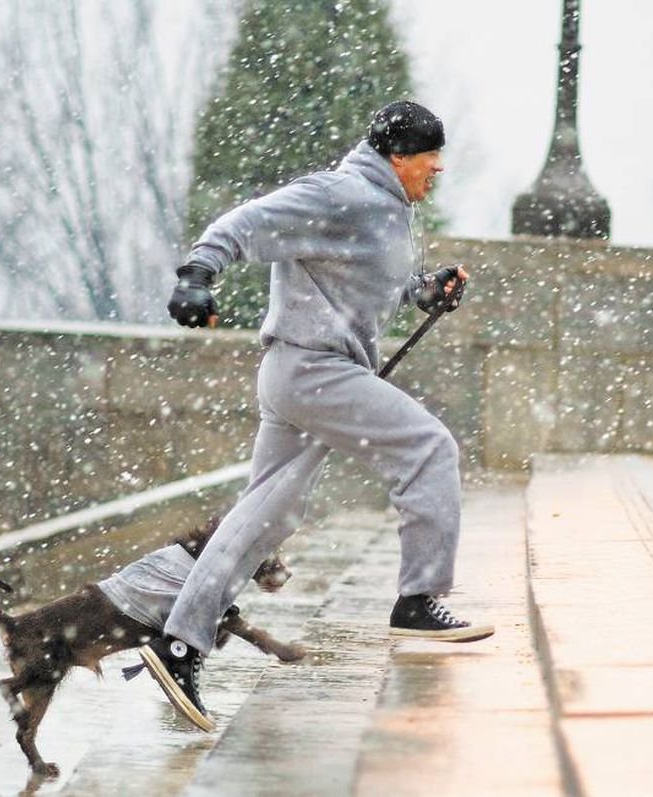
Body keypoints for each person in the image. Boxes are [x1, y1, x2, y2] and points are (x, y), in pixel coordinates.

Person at [102, 101, 493, 732]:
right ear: (399, 158)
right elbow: (245, 222)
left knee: (269, 514)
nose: (437, 170)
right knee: (429, 448)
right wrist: (198, 273)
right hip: (314, 370)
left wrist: (426, 288)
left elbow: (370, 281)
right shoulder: (339, 193)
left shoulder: (390, 209)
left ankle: (179, 644)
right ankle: (419, 600)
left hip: (313, 374)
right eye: (430, 159)